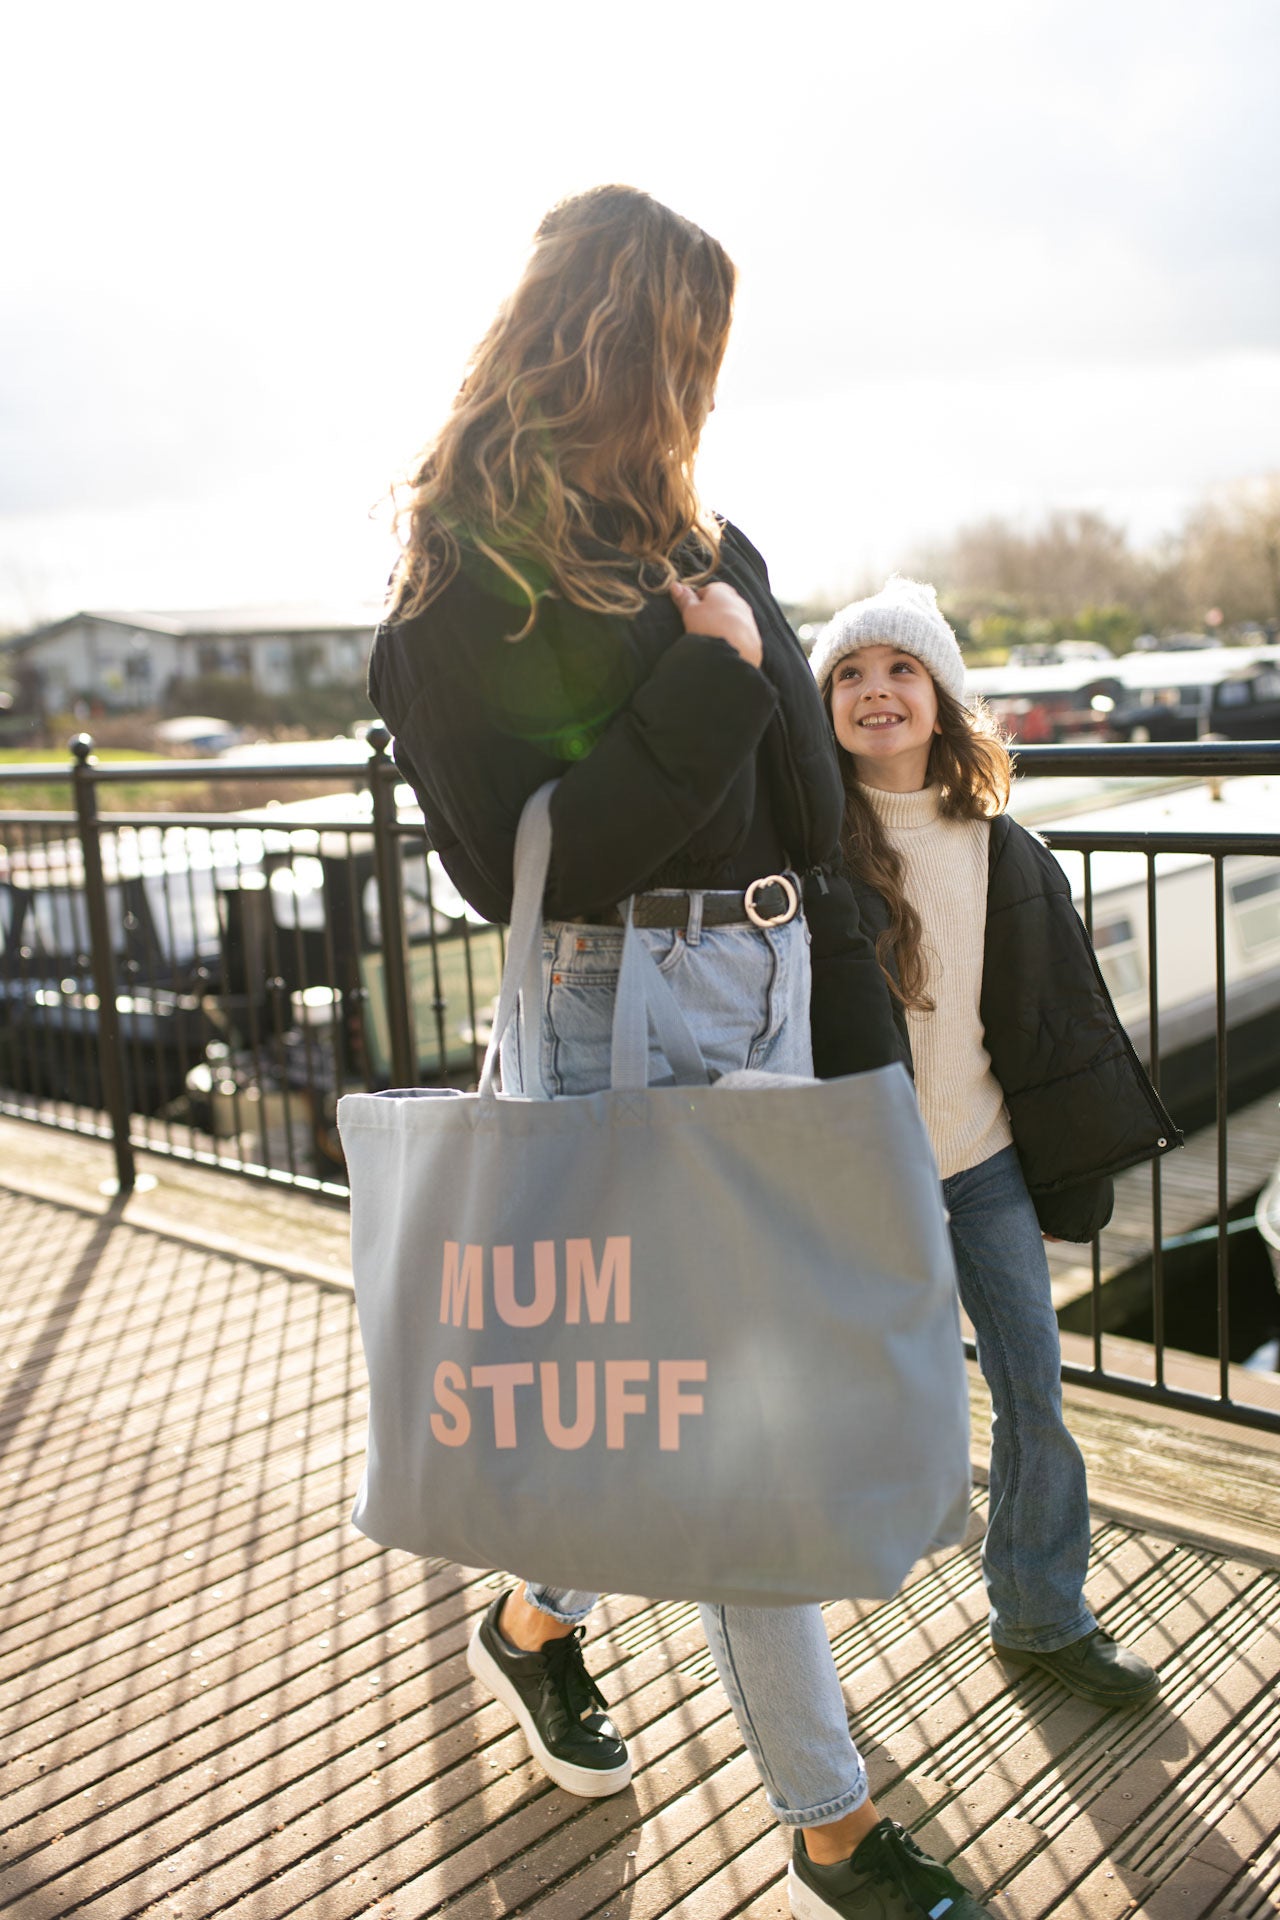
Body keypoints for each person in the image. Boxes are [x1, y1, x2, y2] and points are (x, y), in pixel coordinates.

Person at [367, 189, 993, 1920]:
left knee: (663, 1396)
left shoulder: (718, 552)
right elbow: (509, 863)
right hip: (606, 1009)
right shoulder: (462, 578)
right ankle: (831, 1824)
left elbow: (810, 816)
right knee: (732, 1427)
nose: (706, 392)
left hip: (779, 986)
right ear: (622, 342)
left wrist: (870, 1082)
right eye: (691, 352)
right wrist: (702, 690)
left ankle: (531, 1608)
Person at [809, 577, 1181, 1710]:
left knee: (1034, 1393)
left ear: (940, 698)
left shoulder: (998, 846)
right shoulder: (802, 845)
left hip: (982, 1168)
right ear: (821, 706)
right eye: (848, 675)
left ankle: (1038, 1615)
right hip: (855, 1183)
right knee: (828, 1402)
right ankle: (793, 1638)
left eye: (899, 670)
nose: (875, 691)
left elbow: (1047, 1016)